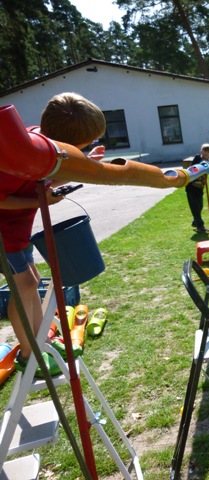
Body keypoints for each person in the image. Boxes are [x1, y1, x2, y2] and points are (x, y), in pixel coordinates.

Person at [0, 92, 106, 377]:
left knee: (31, 281)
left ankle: (41, 341)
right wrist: (40, 202)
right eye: (84, 145)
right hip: (3, 235)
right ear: (68, 143)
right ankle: (27, 354)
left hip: (17, 230)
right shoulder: (16, 154)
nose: (88, 146)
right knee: (22, 287)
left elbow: (45, 179)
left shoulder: (40, 147)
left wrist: (84, 164)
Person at [185, 144, 209, 233]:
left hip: (199, 188)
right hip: (192, 187)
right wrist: (207, 162)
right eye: (205, 151)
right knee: (195, 207)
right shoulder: (198, 158)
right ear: (201, 151)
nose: (206, 154)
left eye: (208, 153)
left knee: (199, 206)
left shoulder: (207, 161)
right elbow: (196, 167)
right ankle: (200, 226)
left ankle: (195, 222)